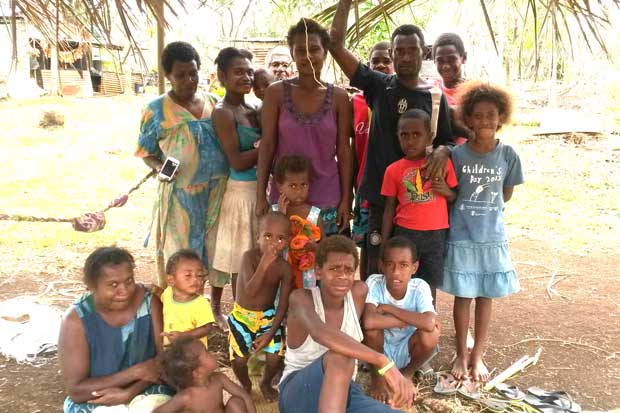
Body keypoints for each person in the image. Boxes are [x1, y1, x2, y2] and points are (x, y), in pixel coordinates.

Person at [329, 0, 454, 275]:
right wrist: (346, 4)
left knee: (414, 271)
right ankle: (370, 317)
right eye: (400, 51)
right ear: (393, 54)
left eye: (412, 50)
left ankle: (414, 318)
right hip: (379, 198)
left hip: (418, 201)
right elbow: (335, 45)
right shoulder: (378, 85)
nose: (406, 57)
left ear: (425, 52)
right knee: (375, 266)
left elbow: (447, 138)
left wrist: (444, 151)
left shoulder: (435, 97)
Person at [439, 81, 524, 382]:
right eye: (478, 115)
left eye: (491, 114)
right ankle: (461, 354)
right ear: (468, 119)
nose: (485, 120)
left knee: (485, 297)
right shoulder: (458, 155)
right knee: (463, 297)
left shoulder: (508, 155)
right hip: (462, 236)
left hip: (491, 237)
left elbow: (507, 194)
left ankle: (478, 357)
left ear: (501, 117)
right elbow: (453, 192)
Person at [135, 42, 228, 311]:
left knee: (215, 247)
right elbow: (145, 152)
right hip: (181, 195)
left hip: (218, 190)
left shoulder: (213, 102)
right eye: (181, 75)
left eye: (193, 73)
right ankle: (182, 311)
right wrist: (159, 168)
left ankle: (215, 308)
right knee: (182, 253)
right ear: (168, 76)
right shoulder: (156, 111)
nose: (189, 80)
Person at [278, 236, 414, 413]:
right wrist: (383, 361)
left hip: (343, 393)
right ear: (318, 271)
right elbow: (320, 332)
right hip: (298, 394)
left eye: (348, 270)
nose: (342, 275)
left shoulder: (358, 293)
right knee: (341, 356)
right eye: (334, 268)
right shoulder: (302, 299)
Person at [256, 18, 352, 238]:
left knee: (323, 264)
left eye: (315, 49)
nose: (308, 56)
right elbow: (268, 145)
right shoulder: (276, 93)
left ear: (325, 52)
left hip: (327, 196)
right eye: (300, 50)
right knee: (285, 263)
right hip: (285, 198)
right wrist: (260, 194)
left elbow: (344, 151)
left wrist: (347, 199)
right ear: (292, 54)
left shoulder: (339, 97)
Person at [59, 247, 173, 413]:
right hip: (97, 399)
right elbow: (77, 391)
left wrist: (129, 393)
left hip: (147, 390)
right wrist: (136, 372)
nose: (124, 291)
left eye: (129, 281)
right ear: (92, 286)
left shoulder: (149, 304)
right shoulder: (76, 320)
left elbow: (165, 364)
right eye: (113, 285)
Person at [381, 109, 457, 304]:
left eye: (417, 134)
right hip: (405, 233)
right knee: (403, 281)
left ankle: (426, 324)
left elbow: (455, 197)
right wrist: (384, 243)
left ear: (430, 136)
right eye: (404, 135)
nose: (410, 140)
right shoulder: (393, 170)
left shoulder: (442, 163)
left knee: (428, 284)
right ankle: (403, 323)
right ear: (397, 137)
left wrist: (445, 190)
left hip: (435, 235)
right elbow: (389, 209)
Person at [211, 48, 261, 327]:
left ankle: (253, 309)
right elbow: (237, 161)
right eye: (239, 71)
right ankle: (240, 315)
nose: (246, 76)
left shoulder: (253, 109)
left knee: (256, 252)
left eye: (249, 71)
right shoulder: (223, 113)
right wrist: (268, 146)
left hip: (260, 191)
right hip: (241, 193)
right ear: (222, 76)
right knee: (239, 258)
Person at [363, 236, 440, 404]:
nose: (396, 272)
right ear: (381, 266)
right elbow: (368, 322)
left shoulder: (420, 287)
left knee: (431, 334)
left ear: (414, 267)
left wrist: (389, 309)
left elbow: (428, 323)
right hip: (379, 349)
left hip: (408, 347)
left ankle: (407, 373)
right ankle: (377, 376)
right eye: (390, 264)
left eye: (403, 265)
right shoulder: (375, 283)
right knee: (370, 330)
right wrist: (407, 321)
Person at [228, 211, 293, 401]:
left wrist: (270, 333)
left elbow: (283, 305)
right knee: (239, 359)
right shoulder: (249, 258)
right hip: (242, 316)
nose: (273, 243)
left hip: (268, 317)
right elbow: (250, 291)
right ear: (257, 237)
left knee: (276, 356)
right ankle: (246, 383)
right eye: (267, 236)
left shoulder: (284, 268)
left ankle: (265, 382)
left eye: (280, 238)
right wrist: (263, 265)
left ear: (288, 241)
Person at [351, 40, 394, 281]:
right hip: (364, 188)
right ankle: (365, 297)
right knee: (366, 246)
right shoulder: (355, 102)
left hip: (391, 187)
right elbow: (350, 148)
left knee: (389, 247)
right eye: (375, 60)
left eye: (386, 60)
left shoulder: (398, 99)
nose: (380, 65)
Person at [155, 337, 255, 413]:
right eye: (206, 352)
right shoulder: (186, 397)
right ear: (197, 373)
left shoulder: (219, 379)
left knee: (236, 403)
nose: (212, 352)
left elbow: (244, 396)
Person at [272, 155, 323, 289]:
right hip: (279, 276)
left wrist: (314, 247)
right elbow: (269, 242)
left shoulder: (314, 214)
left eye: (303, 185)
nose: (299, 191)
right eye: (293, 186)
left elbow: (325, 248)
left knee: (303, 304)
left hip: (307, 277)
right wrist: (281, 216)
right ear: (280, 187)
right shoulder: (274, 212)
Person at [160, 249, 216, 348]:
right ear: (171, 280)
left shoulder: (200, 303)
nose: (195, 279)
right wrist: (154, 290)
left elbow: (207, 328)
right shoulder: (168, 293)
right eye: (188, 275)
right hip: (171, 350)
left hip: (193, 354)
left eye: (199, 275)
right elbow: (162, 296)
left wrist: (183, 336)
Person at [433, 32, 472, 144]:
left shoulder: (476, 92)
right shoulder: (431, 91)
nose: (446, 66)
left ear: (463, 58)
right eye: (440, 60)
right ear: (434, 61)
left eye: (451, 59)